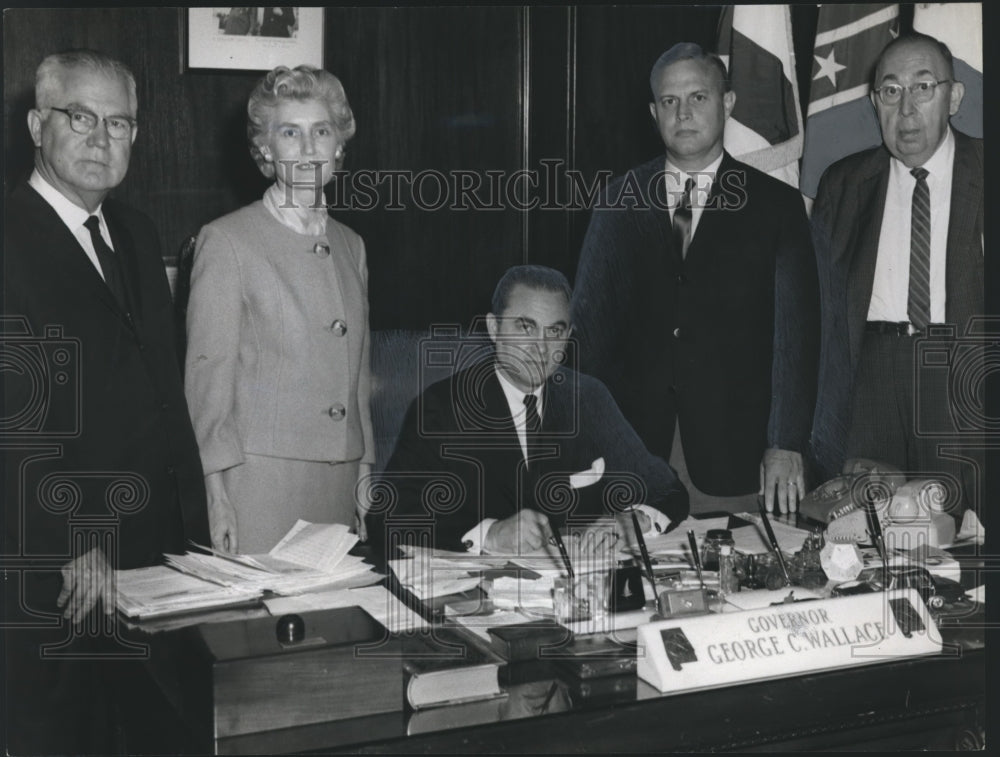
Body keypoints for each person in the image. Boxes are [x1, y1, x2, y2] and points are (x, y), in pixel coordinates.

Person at [3, 49, 210, 753]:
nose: (101, 138)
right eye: (80, 117)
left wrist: (198, 526)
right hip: (61, 565)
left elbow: (160, 391)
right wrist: (74, 537)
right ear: (37, 124)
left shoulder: (138, 232)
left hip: (158, 554)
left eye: (119, 123)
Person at [572, 42, 819, 515]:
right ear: (653, 111)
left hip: (738, 457)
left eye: (698, 98)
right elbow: (589, 336)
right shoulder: (616, 202)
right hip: (632, 452)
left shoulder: (777, 207)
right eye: (669, 101)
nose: (683, 113)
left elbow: (796, 338)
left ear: (727, 104)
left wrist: (786, 442)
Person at [369, 265, 688, 559]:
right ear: (493, 329)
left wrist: (636, 520)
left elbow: (667, 489)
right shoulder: (441, 408)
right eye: (526, 328)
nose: (541, 348)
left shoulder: (587, 398)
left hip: (580, 591)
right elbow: (386, 522)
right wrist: (489, 535)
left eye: (555, 332)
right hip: (476, 600)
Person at [184, 65, 374, 554]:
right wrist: (215, 493)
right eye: (291, 132)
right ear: (266, 150)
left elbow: (358, 373)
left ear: (339, 148)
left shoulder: (351, 245)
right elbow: (208, 385)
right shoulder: (227, 241)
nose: (309, 148)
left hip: (339, 485)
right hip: (258, 488)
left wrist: (366, 465)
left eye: (322, 131)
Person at [810, 33, 983, 520]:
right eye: (891, 92)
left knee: (962, 534)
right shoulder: (842, 184)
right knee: (866, 532)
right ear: (874, 102)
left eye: (923, 88)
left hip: (963, 372)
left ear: (954, 98)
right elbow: (816, 311)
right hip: (871, 377)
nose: (906, 109)